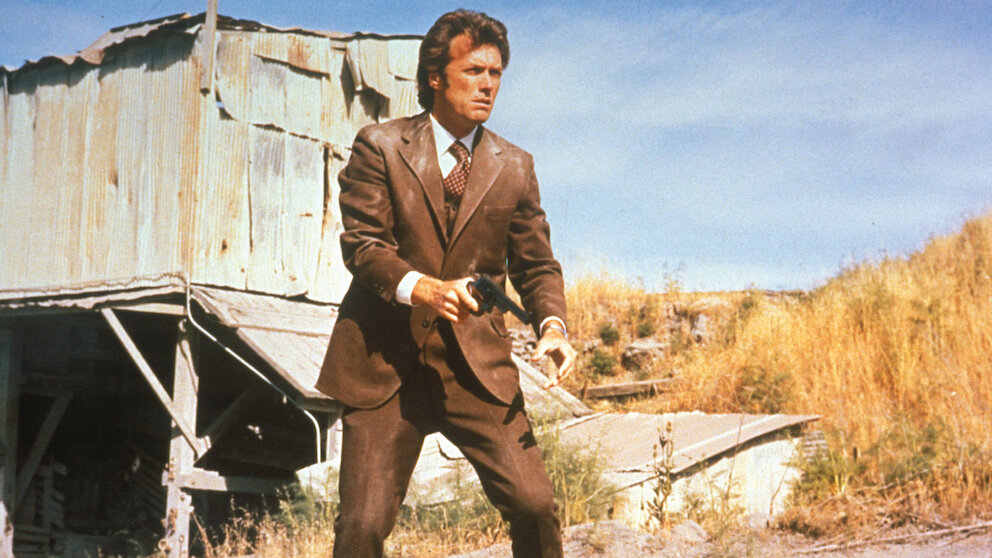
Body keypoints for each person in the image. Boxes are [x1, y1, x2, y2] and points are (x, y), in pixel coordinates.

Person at [316, 9, 576, 558]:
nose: (488, 85)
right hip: (383, 365)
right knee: (361, 526)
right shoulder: (380, 145)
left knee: (535, 505)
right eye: (474, 70)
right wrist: (424, 288)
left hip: (476, 369)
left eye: (496, 73)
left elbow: (536, 264)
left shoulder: (515, 165)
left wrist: (552, 325)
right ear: (435, 76)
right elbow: (363, 246)